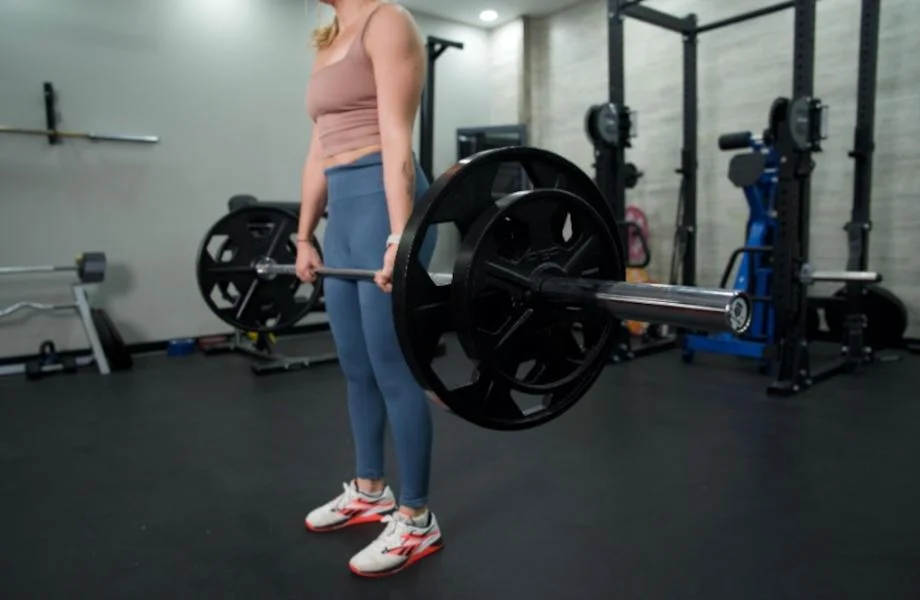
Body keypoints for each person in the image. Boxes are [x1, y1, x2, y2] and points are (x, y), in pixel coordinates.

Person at [295, 0, 442, 578]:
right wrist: (306, 236)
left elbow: (395, 135)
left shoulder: (389, 21)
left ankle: (417, 517)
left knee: (391, 366)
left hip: (387, 202)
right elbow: (318, 151)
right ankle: (369, 490)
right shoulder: (328, 38)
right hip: (345, 213)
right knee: (355, 364)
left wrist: (401, 235)